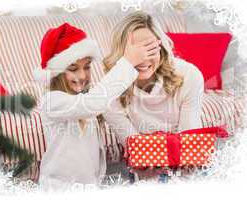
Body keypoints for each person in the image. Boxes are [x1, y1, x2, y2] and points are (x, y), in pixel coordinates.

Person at [34, 22, 160, 189]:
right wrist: (127, 63)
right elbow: (93, 103)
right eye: (73, 68)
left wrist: (143, 157)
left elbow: (108, 108)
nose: (82, 75)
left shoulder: (87, 99)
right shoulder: (52, 101)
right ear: (56, 73)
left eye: (87, 67)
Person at [103, 12, 204, 164]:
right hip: (146, 171)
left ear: (161, 47)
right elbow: (138, 151)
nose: (143, 59)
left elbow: (190, 145)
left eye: (150, 49)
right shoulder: (109, 91)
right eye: (135, 52)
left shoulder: (189, 75)